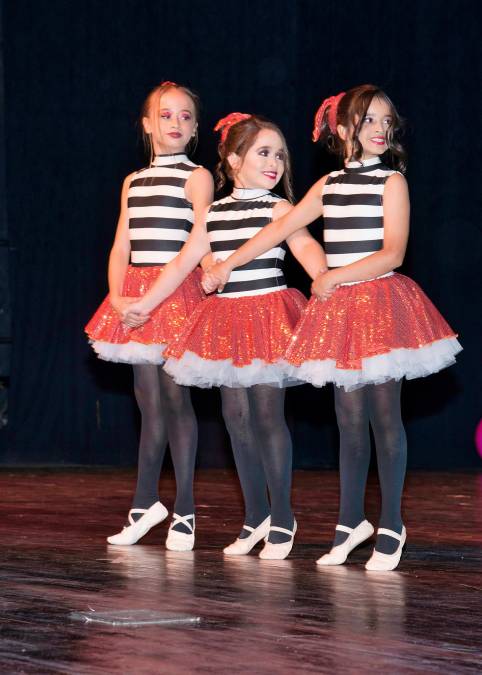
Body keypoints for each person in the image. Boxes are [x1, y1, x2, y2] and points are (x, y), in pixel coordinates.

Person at [204, 85, 462, 571]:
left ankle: (391, 523)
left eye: (387, 121)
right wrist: (225, 266)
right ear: (343, 131)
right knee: (348, 420)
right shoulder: (327, 186)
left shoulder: (392, 183)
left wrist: (332, 277)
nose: (381, 130)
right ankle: (350, 522)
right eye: (369, 121)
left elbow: (393, 253)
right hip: (342, 311)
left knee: (384, 418)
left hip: (380, 303)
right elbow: (275, 232)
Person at [124, 113, 327, 559]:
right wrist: (145, 304)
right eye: (263, 153)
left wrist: (325, 276)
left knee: (268, 415)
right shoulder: (214, 212)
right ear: (234, 159)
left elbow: (305, 244)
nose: (274, 163)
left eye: (279, 155)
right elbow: (181, 264)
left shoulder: (278, 208)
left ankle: (284, 518)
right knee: (235, 418)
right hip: (227, 322)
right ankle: (255, 517)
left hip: (268, 314)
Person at [85, 81, 213, 551]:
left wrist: (152, 299)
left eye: (184, 116)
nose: (175, 123)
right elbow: (122, 243)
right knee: (148, 401)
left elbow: (202, 239)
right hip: (136, 295)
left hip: (174, 294)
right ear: (147, 125)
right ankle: (144, 503)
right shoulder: (133, 181)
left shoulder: (197, 176)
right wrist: (118, 296)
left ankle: (185, 509)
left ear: (196, 127)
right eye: (165, 115)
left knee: (176, 400)